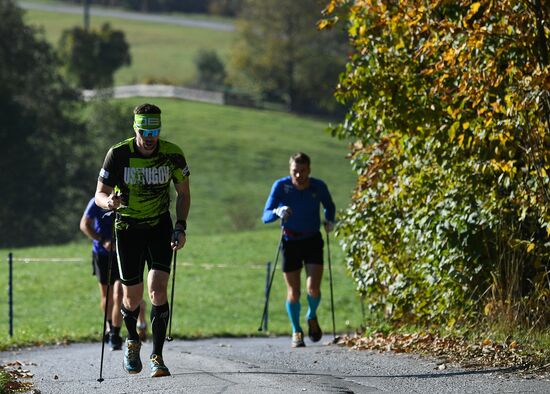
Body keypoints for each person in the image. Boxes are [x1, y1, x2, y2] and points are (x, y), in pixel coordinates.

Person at [95, 103, 190, 378]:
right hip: (127, 228)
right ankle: (132, 340)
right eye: (144, 130)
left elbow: (183, 193)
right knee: (131, 297)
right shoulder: (118, 154)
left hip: (160, 226)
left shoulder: (173, 154)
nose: (150, 137)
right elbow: (99, 194)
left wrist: (181, 227)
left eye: (155, 131)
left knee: (157, 289)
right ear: (135, 128)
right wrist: (109, 203)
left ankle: (157, 356)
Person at [262, 152, 335, 348]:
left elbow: (330, 206)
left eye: (303, 171)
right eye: (295, 171)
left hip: (312, 240)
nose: (299, 175)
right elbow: (265, 215)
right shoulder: (281, 186)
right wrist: (278, 212)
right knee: (294, 292)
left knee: (313, 288)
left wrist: (330, 220)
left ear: (309, 170)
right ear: (290, 170)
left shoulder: (318, 186)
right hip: (290, 241)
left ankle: (311, 315)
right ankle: (296, 331)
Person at [80, 198, 149, 350]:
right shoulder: (96, 201)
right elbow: (84, 225)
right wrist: (102, 240)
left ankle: (115, 334)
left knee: (119, 293)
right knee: (107, 296)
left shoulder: (128, 199)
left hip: (123, 253)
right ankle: (109, 325)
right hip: (102, 254)